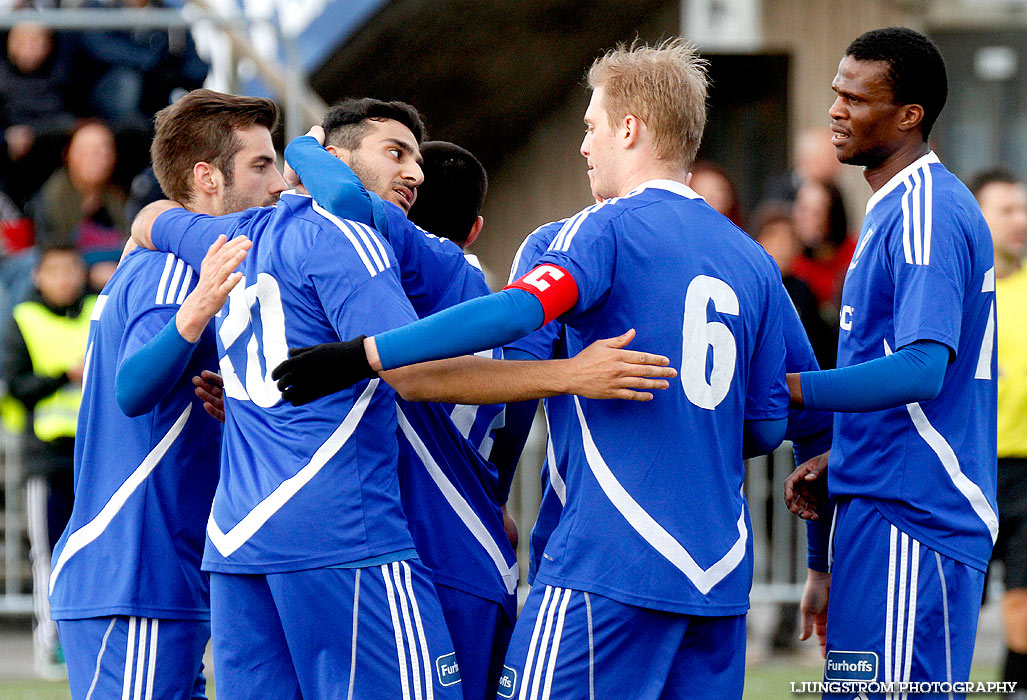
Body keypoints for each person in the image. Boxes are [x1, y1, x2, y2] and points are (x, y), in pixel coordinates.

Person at [274, 38, 792, 699]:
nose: (583, 145)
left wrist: (366, 353)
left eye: (590, 127)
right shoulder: (750, 260)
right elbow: (768, 422)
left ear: (628, 130)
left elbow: (518, 319)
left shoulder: (585, 233)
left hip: (599, 559)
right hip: (716, 574)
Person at [131, 95, 676, 699]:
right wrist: (572, 375)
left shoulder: (239, 239)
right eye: (396, 153)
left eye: (416, 160)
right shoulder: (389, 251)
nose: (412, 172)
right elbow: (412, 371)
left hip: (246, 540)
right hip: (380, 538)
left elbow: (151, 218)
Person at [48, 89, 284, 700]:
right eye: (260, 165)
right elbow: (133, 389)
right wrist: (199, 307)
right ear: (207, 178)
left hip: (155, 575)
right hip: (133, 572)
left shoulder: (166, 254)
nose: (279, 183)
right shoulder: (181, 270)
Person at [785, 27, 997, 695]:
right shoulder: (893, 204)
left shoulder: (926, 209)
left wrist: (792, 388)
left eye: (855, 97)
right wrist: (839, 457)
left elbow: (921, 369)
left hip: (917, 514)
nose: (835, 111)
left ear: (909, 116)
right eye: (834, 93)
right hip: (877, 508)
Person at [284, 122, 519, 699]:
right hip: (484, 555)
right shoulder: (505, 313)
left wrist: (303, 145)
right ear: (477, 229)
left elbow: (342, 201)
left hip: (423, 555)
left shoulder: (427, 264)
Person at [1, 245, 91, 679]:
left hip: (95, 453)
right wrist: (64, 375)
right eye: (54, 271)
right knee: (48, 555)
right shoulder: (23, 320)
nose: (64, 279)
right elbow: (17, 385)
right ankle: (50, 644)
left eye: (71, 269)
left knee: (94, 550)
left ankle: (88, 640)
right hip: (48, 457)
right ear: (38, 277)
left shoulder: (99, 310)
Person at [970, 168, 1027, 696]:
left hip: (1026, 474)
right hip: (970, 472)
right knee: (958, 607)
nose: (1020, 221)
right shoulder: (964, 292)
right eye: (1006, 210)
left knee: (1023, 607)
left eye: (1023, 209)